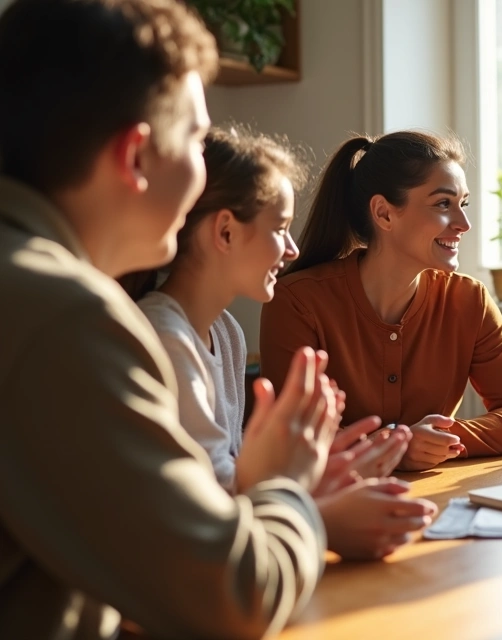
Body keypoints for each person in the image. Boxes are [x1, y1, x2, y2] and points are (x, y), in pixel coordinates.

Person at [0, 1, 339, 637]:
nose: (202, 170)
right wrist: (287, 484)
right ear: (135, 157)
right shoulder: (62, 315)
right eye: (192, 139)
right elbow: (239, 594)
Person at [128, 126, 435, 559]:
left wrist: (320, 473)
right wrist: (319, 511)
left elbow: (238, 480)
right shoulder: (165, 337)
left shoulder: (226, 332)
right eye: (280, 228)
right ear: (226, 232)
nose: (291, 249)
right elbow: (213, 500)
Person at [261, 131, 502, 470]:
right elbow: (297, 438)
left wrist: (435, 440)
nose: (464, 224)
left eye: (463, 203)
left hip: (432, 498)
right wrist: (398, 444)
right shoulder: (296, 302)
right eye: (443, 204)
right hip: (325, 505)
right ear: (383, 214)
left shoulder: (469, 299)